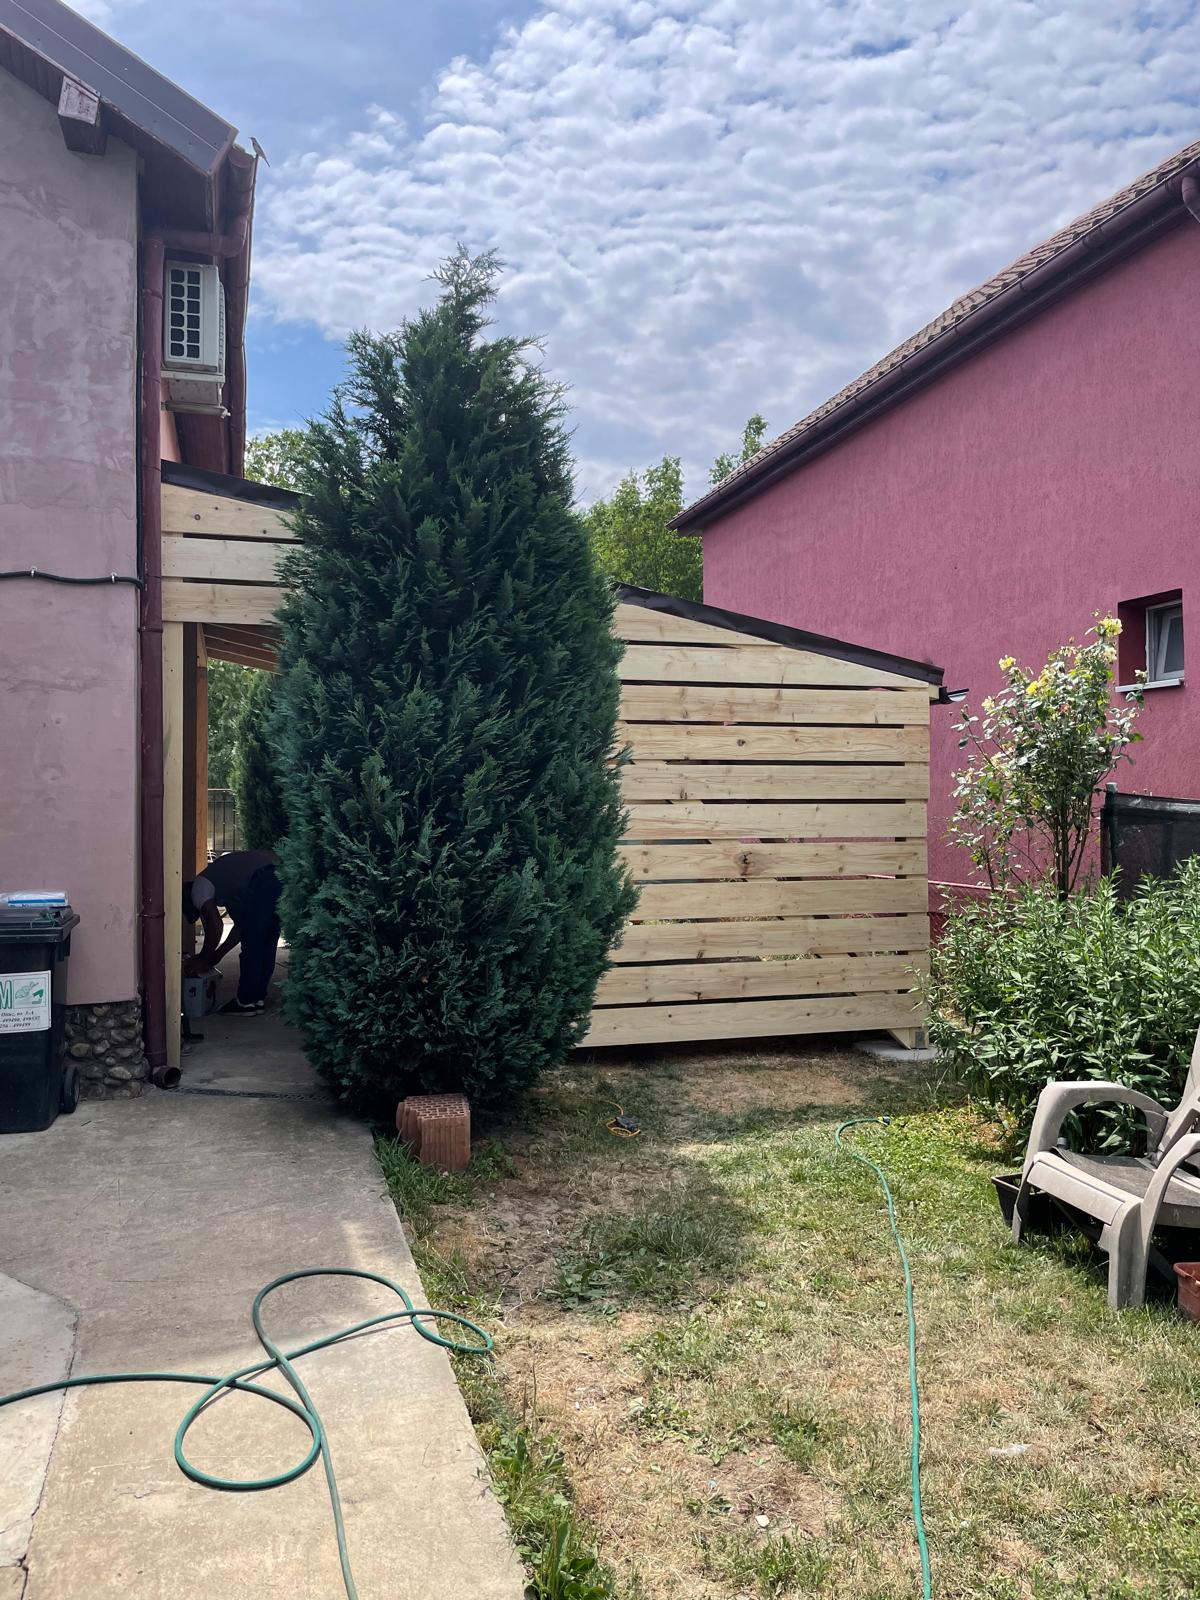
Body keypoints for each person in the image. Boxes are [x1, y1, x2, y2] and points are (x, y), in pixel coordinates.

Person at [183, 850, 282, 1015]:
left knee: (253, 946)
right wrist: (217, 956)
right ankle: (257, 999)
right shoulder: (231, 888)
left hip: (260, 879)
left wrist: (203, 958)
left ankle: (245, 1002)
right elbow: (240, 928)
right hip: (278, 874)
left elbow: (216, 926)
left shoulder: (198, 887)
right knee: (267, 941)